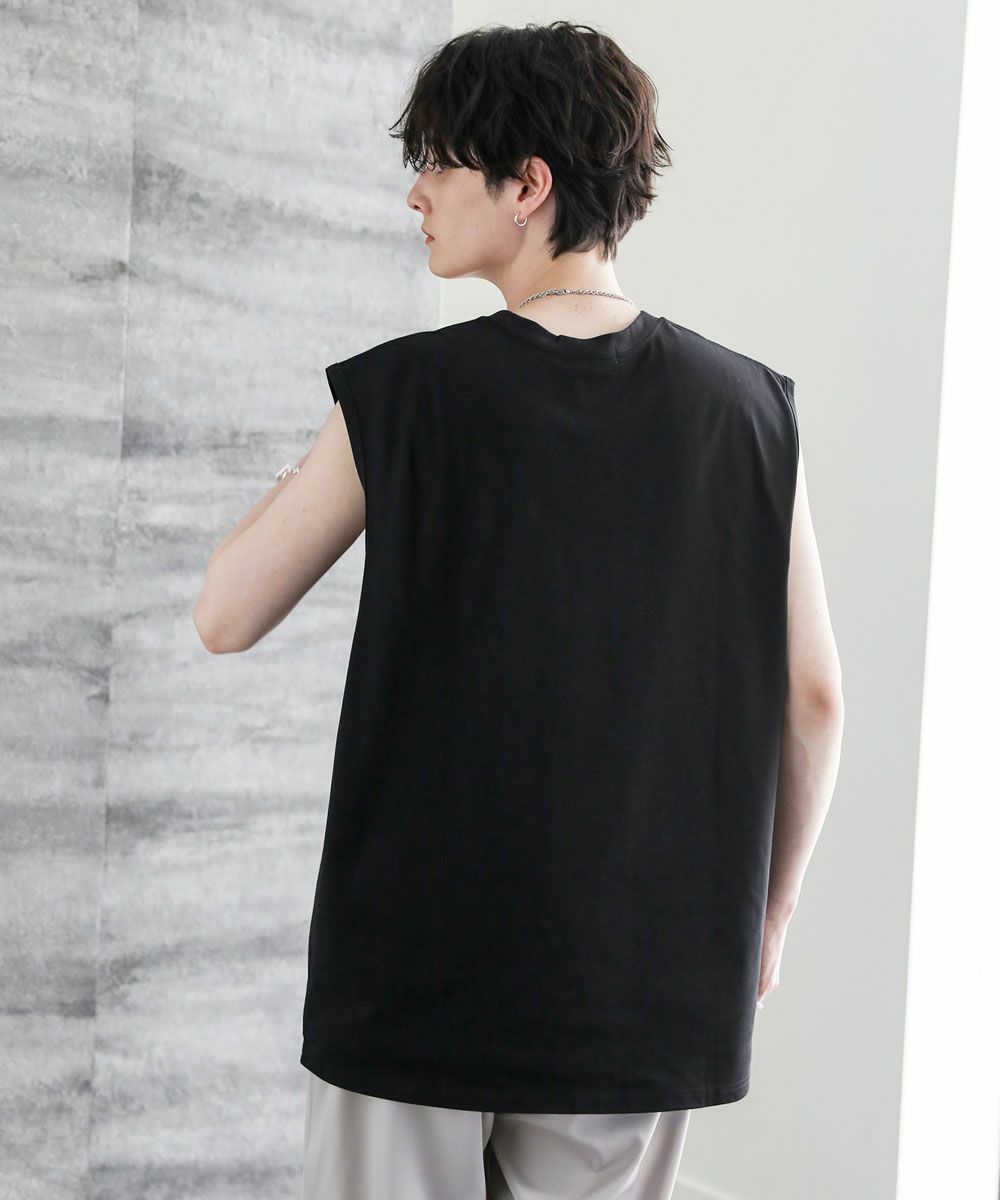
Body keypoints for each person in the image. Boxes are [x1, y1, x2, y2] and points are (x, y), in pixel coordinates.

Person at [193, 19, 844, 1200]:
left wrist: (356, 445)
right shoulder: (754, 412)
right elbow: (815, 698)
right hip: (645, 978)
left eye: (439, 162)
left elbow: (224, 612)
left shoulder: (409, 392)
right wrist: (771, 912)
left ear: (526, 185)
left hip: (415, 976)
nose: (416, 193)